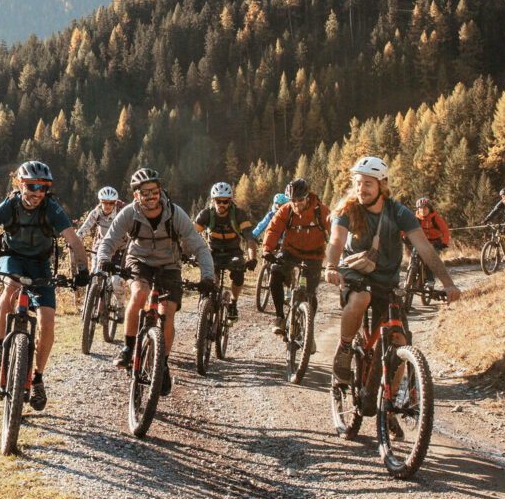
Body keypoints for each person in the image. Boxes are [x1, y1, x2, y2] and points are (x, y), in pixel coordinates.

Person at [0, 161, 89, 412]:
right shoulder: (9, 206)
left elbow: (74, 241)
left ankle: (38, 378)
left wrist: (83, 271)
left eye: (43, 188)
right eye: (32, 187)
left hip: (40, 264)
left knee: (47, 322)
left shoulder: (52, 209)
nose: (37, 193)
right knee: (10, 287)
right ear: (21, 185)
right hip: (13, 258)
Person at [324, 157, 461, 387]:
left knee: (399, 340)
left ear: (382, 185)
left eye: (368, 183)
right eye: (358, 182)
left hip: (386, 280)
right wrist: (331, 266)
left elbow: (425, 248)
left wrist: (448, 283)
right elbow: (336, 241)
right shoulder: (347, 208)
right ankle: (345, 349)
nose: (361, 188)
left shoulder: (398, 213)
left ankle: (392, 403)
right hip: (355, 273)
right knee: (361, 297)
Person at [94, 168, 214, 395]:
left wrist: (207, 277)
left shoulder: (175, 214)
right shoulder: (129, 213)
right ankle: (128, 348)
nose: (151, 196)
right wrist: (103, 259)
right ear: (136, 195)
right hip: (139, 260)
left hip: (169, 264)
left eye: (154, 191)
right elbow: (109, 241)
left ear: (161, 192)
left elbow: (199, 247)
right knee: (140, 293)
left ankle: (163, 364)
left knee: (167, 312)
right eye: (145, 192)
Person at [259, 178, 329, 337]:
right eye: (293, 200)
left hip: (314, 255)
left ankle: (307, 331)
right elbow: (273, 229)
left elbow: (335, 231)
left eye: (300, 199)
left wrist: (339, 257)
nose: (297, 204)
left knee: (311, 295)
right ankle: (279, 317)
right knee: (275, 275)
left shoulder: (321, 211)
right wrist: (268, 250)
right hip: (290, 251)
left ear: (308, 196)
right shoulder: (286, 210)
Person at [192, 182, 254, 318]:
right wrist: (187, 254)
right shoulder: (206, 214)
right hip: (213, 252)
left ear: (230, 201)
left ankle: (233, 303)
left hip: (233, 252)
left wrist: (252, 258)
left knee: (238, 272)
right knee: (210, 279)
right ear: (213, 201)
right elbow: (191, 235)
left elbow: (249, 238)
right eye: (218, 201)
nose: (221, 204)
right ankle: (205, 306)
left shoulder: (238, 214)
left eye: (225, 201)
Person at [77, 186, 127, 326]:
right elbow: (84, 228)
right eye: (105, 202)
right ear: (100, 202)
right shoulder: (96, 213)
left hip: (119, 248)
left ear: (115, 203)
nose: (108, 206)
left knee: (116, 280)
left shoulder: (121, 213)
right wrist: (75, 241)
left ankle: (120, 306)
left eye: (111, 203)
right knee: (93, 276)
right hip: (101, 247)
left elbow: (131, 229)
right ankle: (87, 306)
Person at [414, 197, 453, 293]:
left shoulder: (436, 218)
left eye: (424, 208)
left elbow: (446, 231)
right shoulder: (415, 219)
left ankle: (430, 280)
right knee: (414, 255)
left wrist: (444, 243)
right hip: (421, 242)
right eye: (420, 208)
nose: (422, 210)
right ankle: (413, 276)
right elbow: (406, 229)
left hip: (435, 242)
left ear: (429, 209)